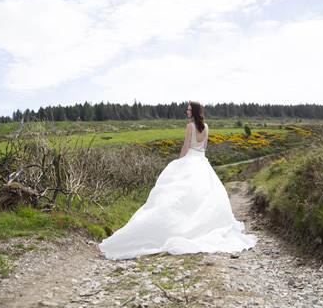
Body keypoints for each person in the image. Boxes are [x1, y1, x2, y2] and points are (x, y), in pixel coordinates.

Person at [98, 101, 257, 260]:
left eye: (188, 109)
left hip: (190, 160)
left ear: (194, 111)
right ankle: (198, 223)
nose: (187, 111)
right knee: (202, 194)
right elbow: (204, 148)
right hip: (201, 161)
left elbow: (185, 146)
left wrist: (181, 162)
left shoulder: (190, 126)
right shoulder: (206, 127)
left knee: (180, 193)